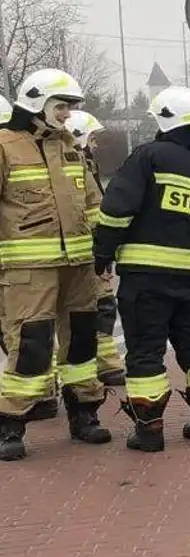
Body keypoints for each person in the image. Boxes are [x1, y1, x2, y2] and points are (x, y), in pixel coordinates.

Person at [95, 86, 190, 453]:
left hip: (145, 279)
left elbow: (117, 209)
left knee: (145, 351)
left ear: (163, 120)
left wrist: (102, 252)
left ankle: (149, 431)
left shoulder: (148, 157)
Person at [0, 69, 111, 458]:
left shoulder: (68, 148)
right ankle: (10, 426)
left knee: (82, 341)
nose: (66, 115)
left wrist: (105, 249)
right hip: (29, 272)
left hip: (79, 267)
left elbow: (94, 204)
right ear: (35, 105)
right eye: (60, 107)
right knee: (31, 345)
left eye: (67, 108)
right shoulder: (5, 145)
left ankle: (85, 415)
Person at [64, 111, 126, 391]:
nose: (96, 145)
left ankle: (106, 364)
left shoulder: (85, 166)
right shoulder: (75, 168)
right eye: (92, 138)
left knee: (101, 310)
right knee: (93, 311)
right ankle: (103, 366)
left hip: (89, 252)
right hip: (83, 254)